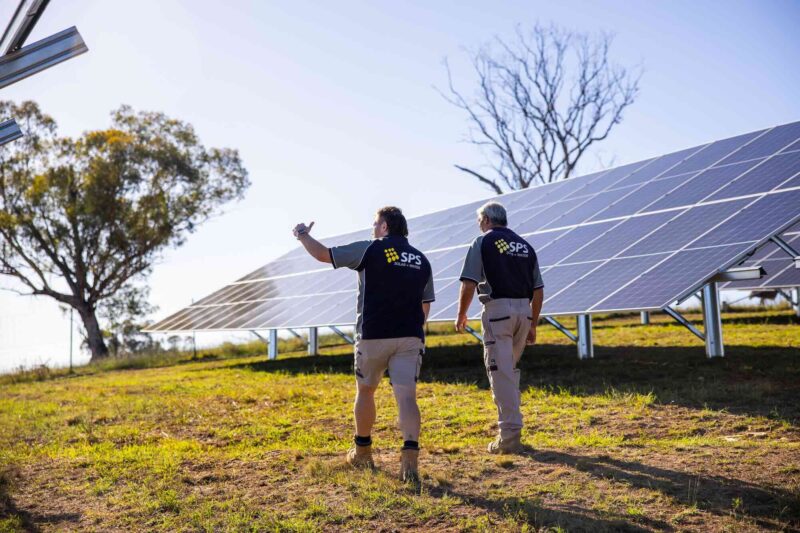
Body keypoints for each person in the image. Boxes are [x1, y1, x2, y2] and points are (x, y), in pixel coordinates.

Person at [293, 206, 434, 482]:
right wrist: (413, 330)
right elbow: (425, 303)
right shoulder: (421, 259)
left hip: (373, 335)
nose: (372, 228)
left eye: (374, 224)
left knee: (366, 391)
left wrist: (302, 235)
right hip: (410, 336)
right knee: (406, 396)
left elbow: (324, 255)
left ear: (384, 227)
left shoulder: (370, 249)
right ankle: (410, 461)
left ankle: (363, 452)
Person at [455, 201, 544, 454]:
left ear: (485, 220)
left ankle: (510, 436)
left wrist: (462, 314)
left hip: (498, 313)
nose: (478, 225)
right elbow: (538, 290)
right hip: (523, 314)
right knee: (509, 371)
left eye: (478, 221)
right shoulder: (526, 246)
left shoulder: (482, 242)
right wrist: (533, 324)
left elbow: (469, 283)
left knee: (501, 373)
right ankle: (511, 429)